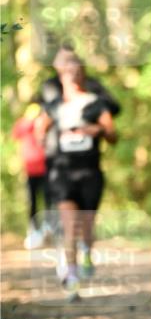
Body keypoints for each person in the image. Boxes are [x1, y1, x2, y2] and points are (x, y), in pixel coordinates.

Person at [35, 58, 118, 300]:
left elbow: (113, 135)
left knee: (86, 225)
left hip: (90, 172)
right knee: (70, 226)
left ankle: (87, 252)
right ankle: (71, 277)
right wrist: (51, 140)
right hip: (63, 173)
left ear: (83, 76)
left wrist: (98, 130)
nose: (71, 76)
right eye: (66, 72)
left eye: (76, 71)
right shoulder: (54, 106)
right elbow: (39, 130)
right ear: (60, 76)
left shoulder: (96, 104)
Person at [11, 102, 48, 249]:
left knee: (49, 201)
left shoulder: (44, 125)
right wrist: (31, 120)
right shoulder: (25, 125)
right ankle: (33, 231)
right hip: (31, 170)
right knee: (32, 202)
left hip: (47, 170)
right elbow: (16, 133)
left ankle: (48, 229)